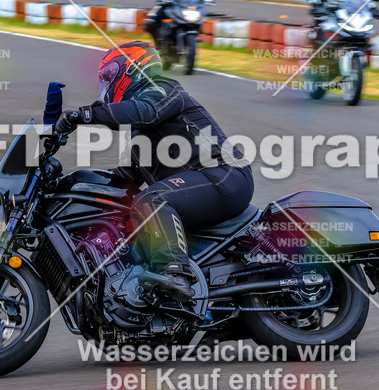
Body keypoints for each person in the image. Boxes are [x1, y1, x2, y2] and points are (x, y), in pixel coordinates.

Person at [53, 41, 254, 301]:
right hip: (203, 184)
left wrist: (85, 115)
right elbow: (123, 180)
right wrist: (69, 186)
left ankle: (176, 274)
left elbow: (145, 112)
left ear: (131, 69)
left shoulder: (163, 89)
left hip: (225, 175)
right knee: (125, 214)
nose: (106, 83)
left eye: (109, 75)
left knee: (152, 199)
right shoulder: (139, 134)